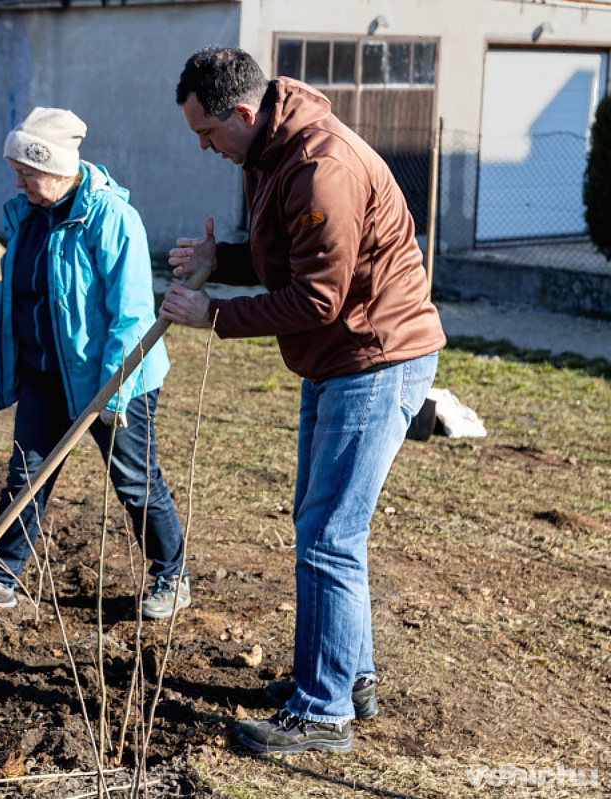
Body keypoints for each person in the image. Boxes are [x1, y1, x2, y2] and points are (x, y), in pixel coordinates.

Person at [162, 47, 446, 754]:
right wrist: (217, 262)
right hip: (340, 357)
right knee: (321, 523)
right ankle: (347, 678)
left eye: (206, 132)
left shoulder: (323, 168)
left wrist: (215, 316)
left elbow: (317, 298)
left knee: (329, 534)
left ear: (245, 113)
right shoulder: (270, 150)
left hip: (374, 358)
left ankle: (321, 714)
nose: (204, 147)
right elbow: (287, 255)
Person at [0, 107, 189, 620]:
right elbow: (21, 290)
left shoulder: (110, 218)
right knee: (24, 481)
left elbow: (132, 315)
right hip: (44, 378)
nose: (19, 181)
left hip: (114, 379)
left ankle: (172, 576)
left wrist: (114, 393)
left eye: (26, 172)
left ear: (54, 168)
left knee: (135, 482)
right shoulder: (29, 216)